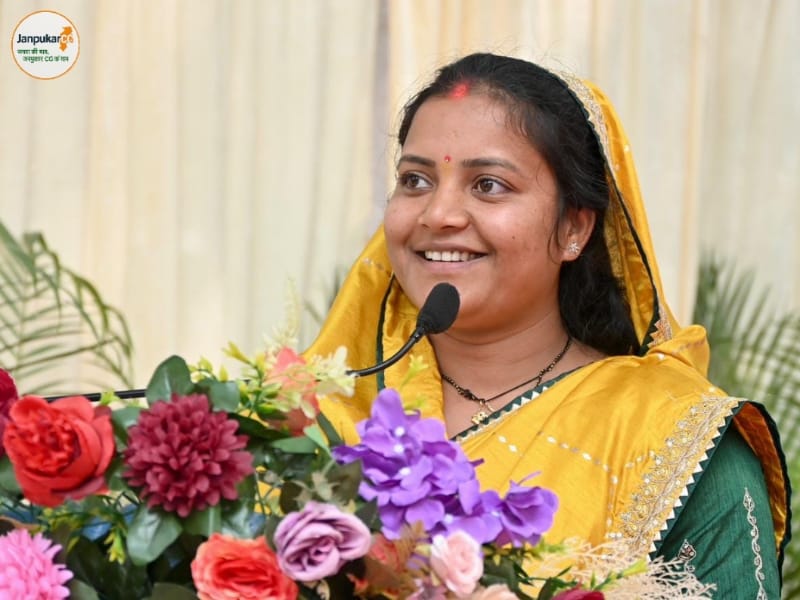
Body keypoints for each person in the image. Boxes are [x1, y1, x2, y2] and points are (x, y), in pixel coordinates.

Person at [306, 53, 790, 596]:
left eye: (488, 185)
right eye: (415, 180)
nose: (438, 214)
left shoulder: (672, 440)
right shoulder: (315, 418)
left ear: (573, 229)